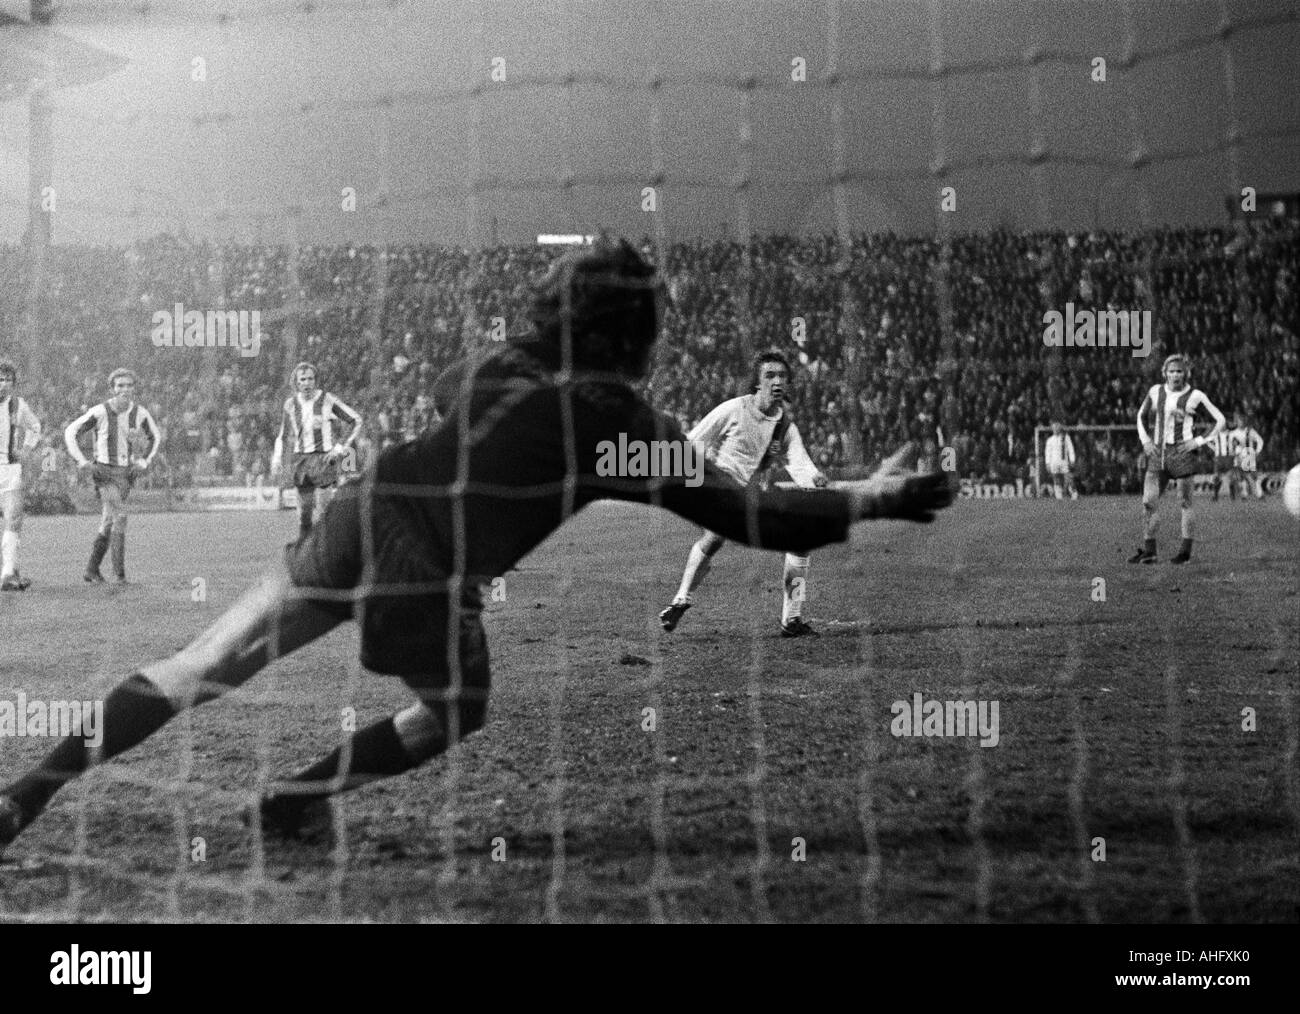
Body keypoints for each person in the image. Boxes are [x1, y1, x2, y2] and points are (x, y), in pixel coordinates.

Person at [0, 237, 954, 853]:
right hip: (430, 567)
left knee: (202, 664)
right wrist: (871, 499)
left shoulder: (497, 362)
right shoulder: (615, 420)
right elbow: (760, 519)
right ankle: (299, 795)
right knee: (459, 707)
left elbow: (462, 383)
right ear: (634, 339)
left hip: (360, 513)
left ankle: (25, 795)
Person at [658, 351, 830, 638]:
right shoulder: (733, 410)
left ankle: (792, 619)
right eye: (770, 375)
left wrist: (815, 480)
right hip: (717, 488)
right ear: (757, 383)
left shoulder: (783, 426)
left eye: (782, 376)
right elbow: (695, 440)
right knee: (715, 536)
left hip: (749, 494)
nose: (777, 381)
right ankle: (680, 599)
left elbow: (799, 462)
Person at [64, 368, 161, 584]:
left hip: (126, 475)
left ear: (134, 388)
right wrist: (82, 461)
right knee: (121, 516)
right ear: (112, 389)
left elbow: (155, 437)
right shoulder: (100, 412)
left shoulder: (140, 413)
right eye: (120, 385)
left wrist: (144, 461)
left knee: (108, 522)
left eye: (129, 385)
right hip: (104, 472)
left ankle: (91, 570)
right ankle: (120, 576)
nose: (125, 389)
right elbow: (71, 431)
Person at [1129, 354, 1225, 565]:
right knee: (1148, 502)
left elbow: (1220, 420)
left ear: (1186, 373)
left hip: (1182, 455)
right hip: (1158, 454)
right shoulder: (1155, 391)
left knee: (1185, 502)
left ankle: (1185, 552)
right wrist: (1146, 441)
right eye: (1171, 371)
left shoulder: (1196, 396)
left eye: (1179, 371)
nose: (1175, 375)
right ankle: (1150, 551)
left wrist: (1198, 441)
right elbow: (1140, 416)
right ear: (1165, 373)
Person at [270, 362, 363, 541]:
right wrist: (276, 458)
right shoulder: (290, 405)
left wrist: (339, 448)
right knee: (304, 514)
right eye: (302, 379)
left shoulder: (327, 400)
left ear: (316, 381)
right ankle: (306, 550)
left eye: (310, 379)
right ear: (296, 383)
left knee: (324, 511)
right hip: (301, 462)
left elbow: (355, 420)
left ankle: (327, 550)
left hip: (324, 459)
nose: (307, 383)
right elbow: (284, 434)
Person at [0, 358, 43, 591]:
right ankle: (11, 570)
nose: (3, 384)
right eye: (0, 379)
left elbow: (35, 427)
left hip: (10, 471)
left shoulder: (18, 405)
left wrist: (26, 449)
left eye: (7, 380)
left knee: (13, 518)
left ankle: (7, 575)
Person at [1043, 421, 1077, 500]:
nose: (1056, 429)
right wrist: (1047, 463)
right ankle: (1058, 495)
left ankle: (1074, 493)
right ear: (1052, 429)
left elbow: (1070, 449)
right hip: (1053, 462)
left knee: (1068, 478)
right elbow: (1047, 452)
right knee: (1056, 478)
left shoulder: (1065, 437)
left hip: (1064, 461)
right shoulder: (1050, 440)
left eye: (1057, 428)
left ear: (1060, 428)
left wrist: (1072, 459)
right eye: (1054, 428)